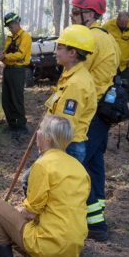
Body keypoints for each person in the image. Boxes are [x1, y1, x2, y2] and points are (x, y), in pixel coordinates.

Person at [0, 115, 89, 257]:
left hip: (49, 245)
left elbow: (31, 213)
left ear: (48, 137)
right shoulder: (79, 168)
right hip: (72, 249)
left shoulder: (42, 166)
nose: (37, 132)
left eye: (40, 129)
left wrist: (10, 222)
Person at [70, 0, 120, 242]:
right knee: (94, 164)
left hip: (90, 112)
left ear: (89, 15)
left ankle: (95, 225)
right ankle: (97, 212)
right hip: (103, 112)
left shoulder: (89, 38)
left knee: (77, 166)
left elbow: (76, 72)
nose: (72, 17)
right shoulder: (108, 37)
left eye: (76, 13)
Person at [44, 25, 97, 164]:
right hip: (64, 144)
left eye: (60, 48)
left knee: (35, 181)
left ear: (72, 53)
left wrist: (50, 147)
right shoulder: (70, 75)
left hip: (66, 146)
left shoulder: (76, 83)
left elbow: (65, 124)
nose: (56, 52)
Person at [0, 13, 32, 139]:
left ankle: (22, 127)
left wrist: (5, 57)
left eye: (11, 26)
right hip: (8, 70)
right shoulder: (10, 39)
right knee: (6, 99)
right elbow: (6, 54)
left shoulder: (25, 37)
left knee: (17, 99)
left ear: (17, 23)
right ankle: (11, 125)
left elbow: (20, 55)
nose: (10, 29)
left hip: (18, 71)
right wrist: (1, 56)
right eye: (8, 27)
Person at [104, 11, 129, 113]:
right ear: (117, 20)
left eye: (126, 23)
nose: (124, 25)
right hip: (110, 63)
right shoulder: (108, 25)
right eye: (121, 23)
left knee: (127, 87)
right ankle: (108, 111)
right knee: (109, 88)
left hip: (126, 64)